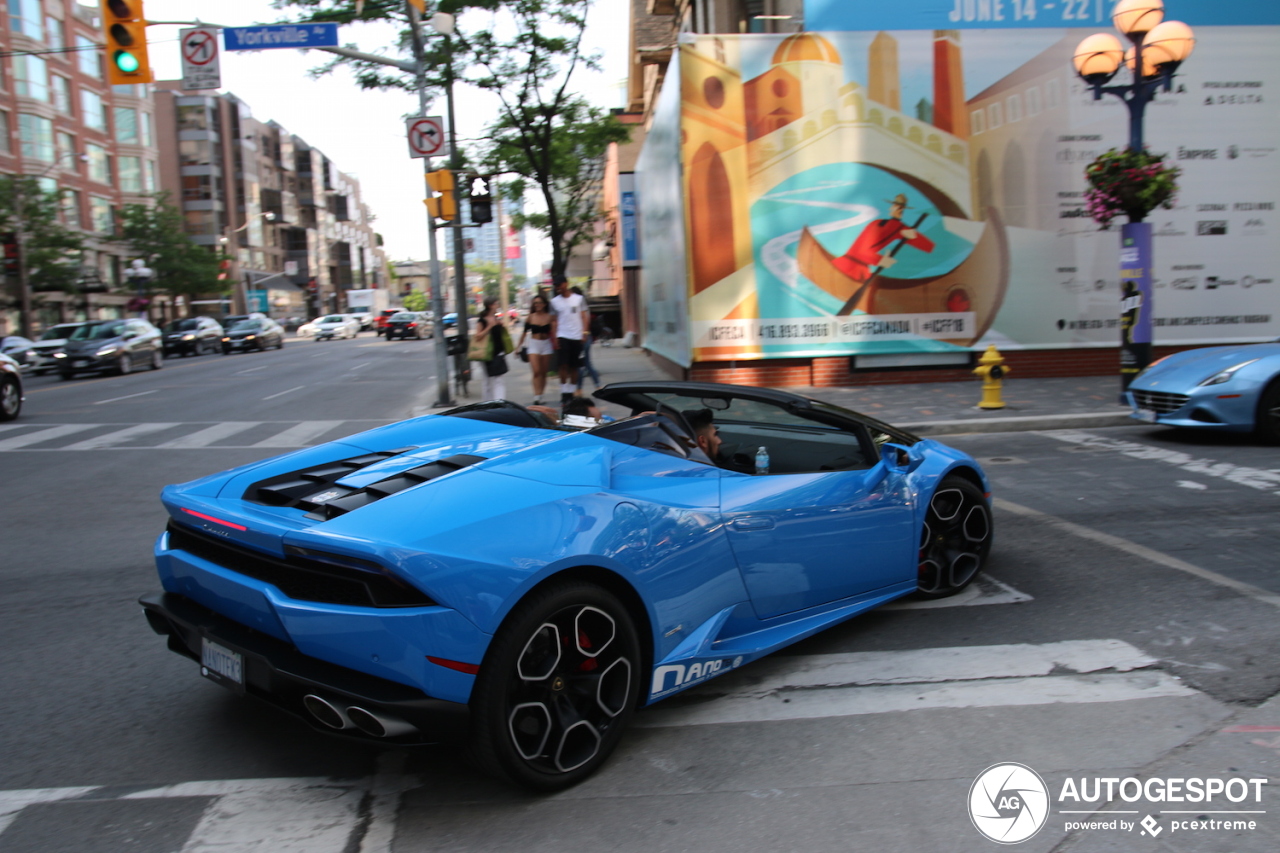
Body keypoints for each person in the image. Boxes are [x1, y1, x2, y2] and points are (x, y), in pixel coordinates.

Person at [833, 193, 934, 283]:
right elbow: (860, 251)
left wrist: (914, 236)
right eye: (892, 206)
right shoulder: (878, 223)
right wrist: (881, 260)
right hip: (850, 267)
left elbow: (928, 246)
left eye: (894, 206)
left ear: (899, 209)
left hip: (856, 270)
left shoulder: (899, 228)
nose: (890, 208)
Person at [550, 276, 589, 405]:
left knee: (574, 366)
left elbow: (584, 316)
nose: (558, 288)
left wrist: (585, 332)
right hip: (563, 335)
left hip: (577, 336)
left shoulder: (578, 299)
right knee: (562, 365)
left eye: (560, 285)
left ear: (566, 284)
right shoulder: (555, 302)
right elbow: (553, 321)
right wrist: (554, 337)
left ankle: (571, 392)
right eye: (556, 286)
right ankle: (564, 392)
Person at [515, 293, 555, 404]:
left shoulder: (549, 317)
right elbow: (524, 333)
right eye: (536, 303)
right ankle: (536, 397)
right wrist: (518, 347)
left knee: (543, 372)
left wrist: (557, 343)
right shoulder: (531, 317)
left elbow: (554, 332)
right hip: (534, 344)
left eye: (540, 302)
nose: (538, 305)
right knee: (536, 371)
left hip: (546, 344)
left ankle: (541, 395)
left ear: (544, 304)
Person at [470, 297, 511, 401]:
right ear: (490, 306)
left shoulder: (496, 318)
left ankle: (500, 401)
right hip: (486, 354)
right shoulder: (482, 320)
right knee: (487, 380)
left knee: (499, 379)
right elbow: (478, 336)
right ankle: (487, 402)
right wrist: (489, 327)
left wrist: (500, 325)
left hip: (498, 352)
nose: (498, 306)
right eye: (496, 304)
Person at [573, 286, 602, 389]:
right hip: (585, 337)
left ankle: (579, 388)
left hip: (581, 338)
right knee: (586, 364)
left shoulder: (579, 307)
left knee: (580, 365)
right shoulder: (584, 306)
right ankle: (597, 385)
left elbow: (584, 322)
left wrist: (583, 335)